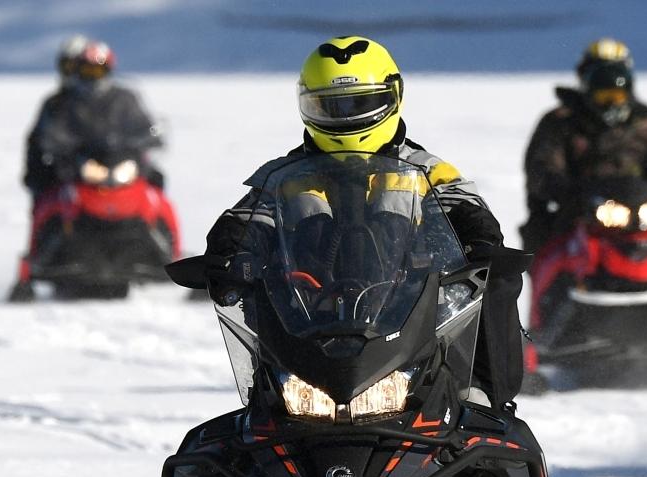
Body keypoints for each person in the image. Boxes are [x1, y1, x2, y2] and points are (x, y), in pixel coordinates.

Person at [204, 35, 525, 407]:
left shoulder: (429, 171)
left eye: (360, 103)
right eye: (330, 107)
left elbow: (470, 212)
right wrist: (228, 253)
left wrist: (477, 245)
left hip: (406, 311)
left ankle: (483, 392)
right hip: (306, 320)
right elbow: (244, 221)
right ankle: (266, 399)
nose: (345, 117)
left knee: (497, 278)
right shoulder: (281, 179)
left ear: (393, 95)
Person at [520, 38, 647, 255]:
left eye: (616, 94)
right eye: (604, 94)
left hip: (646, 206)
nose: (611, 102)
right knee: (548, 245)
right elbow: (542, 166)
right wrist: (564, 188)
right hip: (585, 209)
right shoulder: (561, 121)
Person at [21, 37, 163, 198]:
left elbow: (144, 125)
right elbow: (44, 139)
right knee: (49, 194)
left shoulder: (122, 98)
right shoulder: (61, 103)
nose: (93, 77)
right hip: (78, 168)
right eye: (87, 71)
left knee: (155, 182)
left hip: (117, 161)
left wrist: (148, 138)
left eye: (98, 71)